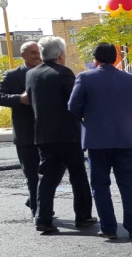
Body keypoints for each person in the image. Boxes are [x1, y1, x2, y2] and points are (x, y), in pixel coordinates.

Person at [67, 43, 132, 240]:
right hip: (126, 139)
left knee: (100, 185)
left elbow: (73, 106)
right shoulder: (130, 79)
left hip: (97, 140)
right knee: (128, 185)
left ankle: (108, 228)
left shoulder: (84, 78)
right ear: (116, 58)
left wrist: (90, 116)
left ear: (95, 59)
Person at [26, 36, 95, 234]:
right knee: (78, 175)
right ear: (60, 55)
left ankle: (43, 218)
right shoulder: (63, 73)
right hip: (67, 133)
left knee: (47, 177)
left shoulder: (31, 74)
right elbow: (75, 102)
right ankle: (83, 216)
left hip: (43, 134)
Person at [0, 41, 43, 217]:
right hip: (25, 134)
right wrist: (19, 99)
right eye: (33, 52)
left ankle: (34, 199)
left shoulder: (48, 72)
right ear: (23, 55)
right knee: (32, 174)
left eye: (39, 52)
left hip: (48, 132)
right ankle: (38, 213)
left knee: (52, 172)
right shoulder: (13, 75)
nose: (37, 56)